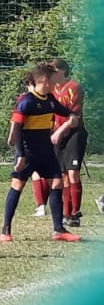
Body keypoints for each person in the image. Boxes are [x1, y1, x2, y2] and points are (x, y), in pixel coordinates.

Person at [2, 63, 79, 244]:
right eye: (53, 81)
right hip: (28, 153)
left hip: (46, 151)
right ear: (44, 81)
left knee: (57, 183)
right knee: (17, 185)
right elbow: (18, 130)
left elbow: (67, 112)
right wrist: (20, 154)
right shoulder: (26, 101)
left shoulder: (50, 99)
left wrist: (71, 117)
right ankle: (6, 230)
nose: (56, 84)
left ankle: (58, 229)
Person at [52, 60, 86, 229]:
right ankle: (66, 213)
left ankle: (75, 213)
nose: (52, 73)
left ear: (63, 71)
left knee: (73, 173)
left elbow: (74, 118)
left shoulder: (74, 87)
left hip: (74, 134)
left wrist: (59, 131)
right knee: (63, 175)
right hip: (58, 136)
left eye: (55, 70)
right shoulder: (52, 89)